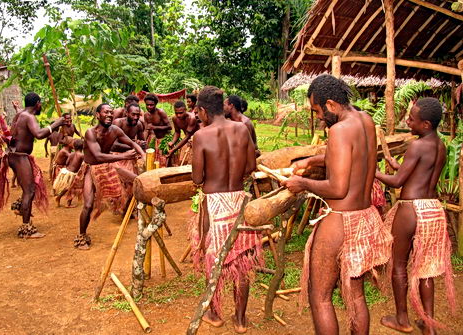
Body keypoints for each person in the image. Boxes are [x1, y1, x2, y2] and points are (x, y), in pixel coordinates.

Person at [281, 74, 392, 334]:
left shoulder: (340, 129)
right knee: (355, 296)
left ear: (331, 104)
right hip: (364, 216)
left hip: (340, 220)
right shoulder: (364, 120)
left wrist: (303, 184)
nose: (318, 117)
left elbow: (338, 188)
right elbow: (353, 157)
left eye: (317, 111)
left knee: (319, 297)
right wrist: (311, 161)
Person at [375, 97, 455, 334]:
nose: (407, 121)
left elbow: (398, 182)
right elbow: (419, 172)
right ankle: (428, 324)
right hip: (433, 210)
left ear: (426, 124)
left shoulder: (417, 145)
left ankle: (402, 320)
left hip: (411, 209)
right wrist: (396, 164)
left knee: (399, 264)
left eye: (412, 119)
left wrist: (375, 172)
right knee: (426, 268)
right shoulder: (440, 145)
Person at [190, 86, 258, 334]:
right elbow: (251, 165)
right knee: (242, 260)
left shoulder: (201, 136)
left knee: (214, 258)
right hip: (240, 201)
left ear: (204, 111)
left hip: (215, 204)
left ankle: (215, 313)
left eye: (198, 113)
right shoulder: (242, 129)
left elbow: (197, 178)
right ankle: (240, 319)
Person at [0, 92, 66, 239]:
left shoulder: (21, 114)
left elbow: (16, 126)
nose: (41, 106)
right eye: (41, 104)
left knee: (28, 189)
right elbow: (38, 134)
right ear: (37, 103)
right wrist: (56, 124)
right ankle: (26, 228)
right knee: (29, 191)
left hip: (15, 155)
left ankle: (21, 207)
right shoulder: (29, 117)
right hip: (19, 157)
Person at [72, 103, 145, 250]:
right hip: (91, 169)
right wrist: (123, 156)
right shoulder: (90, 133)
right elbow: (98, 156)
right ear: (97, 115)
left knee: (137, 180)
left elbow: (131, 143)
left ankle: (136, 213)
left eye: (111, 112)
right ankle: (81, 236)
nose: (109, 115)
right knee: (88, 205)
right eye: (106, 112)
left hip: (109, 165)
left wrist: (143, 155)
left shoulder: (115, 130)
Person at [166, 100, 199, 166]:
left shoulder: (192, 118)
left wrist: (174, 149)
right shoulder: (174, 118)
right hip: (186, 142)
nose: (178, 115)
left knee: (193, 164)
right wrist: (173, 142)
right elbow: (177, 132)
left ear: (185, 110)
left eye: (181, 113)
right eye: (176, 113)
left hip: (196, 143)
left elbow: (187, 136)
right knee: (182, 163)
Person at [143, 93, 171, 166]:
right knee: (154, 161)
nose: (149, 107)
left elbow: (169, 127)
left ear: (155, 104)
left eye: (151, 105)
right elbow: (146, 130)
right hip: (155, 140)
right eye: (147, 105)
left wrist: (155, 127)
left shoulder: (160, 112)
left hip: (164, 139)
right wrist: (143, 141)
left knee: (164, 161)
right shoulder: (146, 115)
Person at [55, 139, 85, 208]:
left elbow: (67, 162)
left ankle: (59, 198)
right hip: (73, 174)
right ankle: (66, 202)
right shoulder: (81, 155)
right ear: (82, 147)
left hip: (66, 171)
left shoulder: (71, 154)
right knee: (72, 188)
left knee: (68, 188)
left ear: (74, 147)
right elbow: (83, 165)